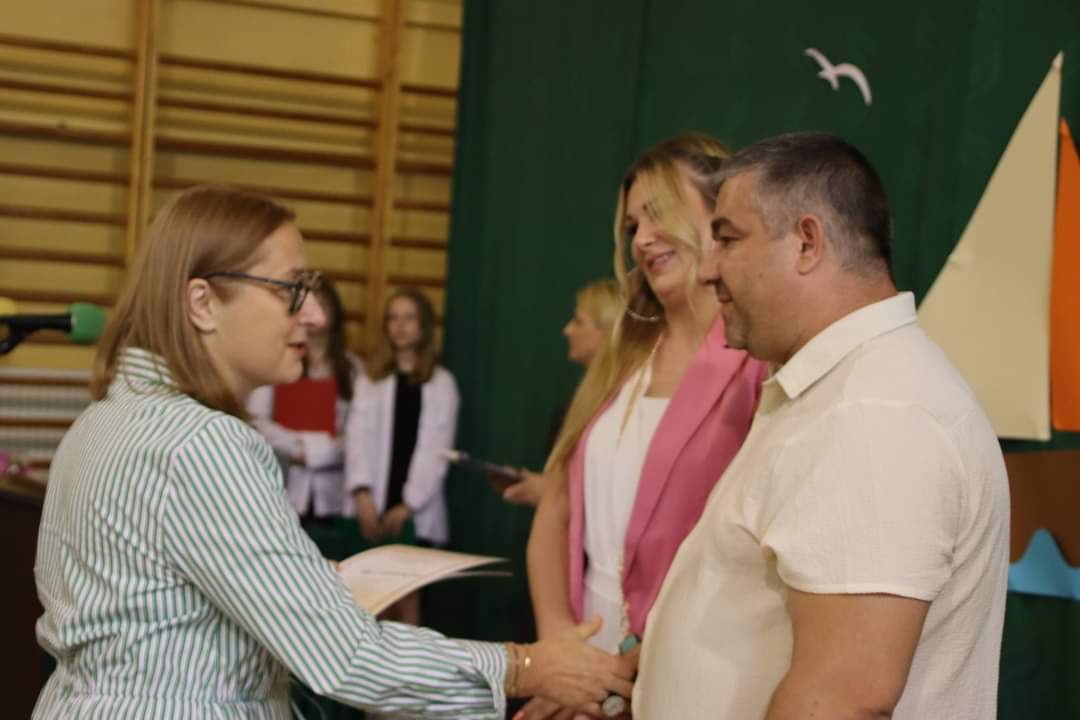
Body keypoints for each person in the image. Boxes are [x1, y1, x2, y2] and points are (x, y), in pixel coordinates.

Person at [32, 185, 635, 719]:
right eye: (292, 290)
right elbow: (345, 657)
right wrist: (524, 667)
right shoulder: (202, 442)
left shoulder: (102, 420)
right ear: (202, 303)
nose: (316, 315)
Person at [634, 132, 1010, 720]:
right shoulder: (844, 391)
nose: (708, 271)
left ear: (807, 242)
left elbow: (840, 698)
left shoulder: (874, 412)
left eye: (727, 239)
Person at [522, 134, 768, 719]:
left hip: (689, 682)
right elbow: (555, 507)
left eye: (658, 213)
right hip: (584, 674)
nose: (642, 239)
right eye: (633, 226)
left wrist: (623, 674)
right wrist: (559, 648)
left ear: (720, 213)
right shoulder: (623, 353)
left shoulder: (758, 361)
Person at [344, 287, 455, 624]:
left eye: (409, 318)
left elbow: (437, 451)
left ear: (423, 326)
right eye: (393, 318)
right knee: (372, 600)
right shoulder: (371, 379)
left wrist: (409, 504)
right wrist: (362, 495)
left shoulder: (441, 383)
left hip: (415, 509)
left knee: (407, 599)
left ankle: (408, 662)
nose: (401, 326)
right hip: (373, 504)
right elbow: (356, 438)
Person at [248, 277, 362, 534]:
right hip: (282, 486)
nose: (315, 313)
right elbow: (256, 420)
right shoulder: (276, 359)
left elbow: (359, 433)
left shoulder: (353, 369)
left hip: (333, 493)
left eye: (323, 304)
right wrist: (296, 448)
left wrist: (316, 452)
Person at [502, 278, 622, 507]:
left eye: (579, 321)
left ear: (608, 330)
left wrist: (551, 492)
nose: (567, 330)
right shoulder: (588, 395)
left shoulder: (622, 401)